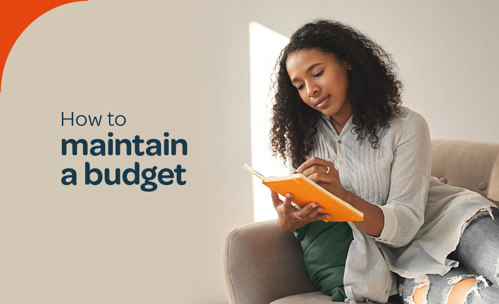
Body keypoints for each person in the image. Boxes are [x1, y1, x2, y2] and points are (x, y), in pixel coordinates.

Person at [269, 20, 499, 304]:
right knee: (484, 299)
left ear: (346, 62)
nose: (311, 90)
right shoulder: (305, 141)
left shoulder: (406, 125)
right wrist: (290, 222)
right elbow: (392, 240)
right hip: (404, 263)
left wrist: (344, 196)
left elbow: (404, 225)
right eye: (299, 85)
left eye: (317, 73)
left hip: (457, 222)